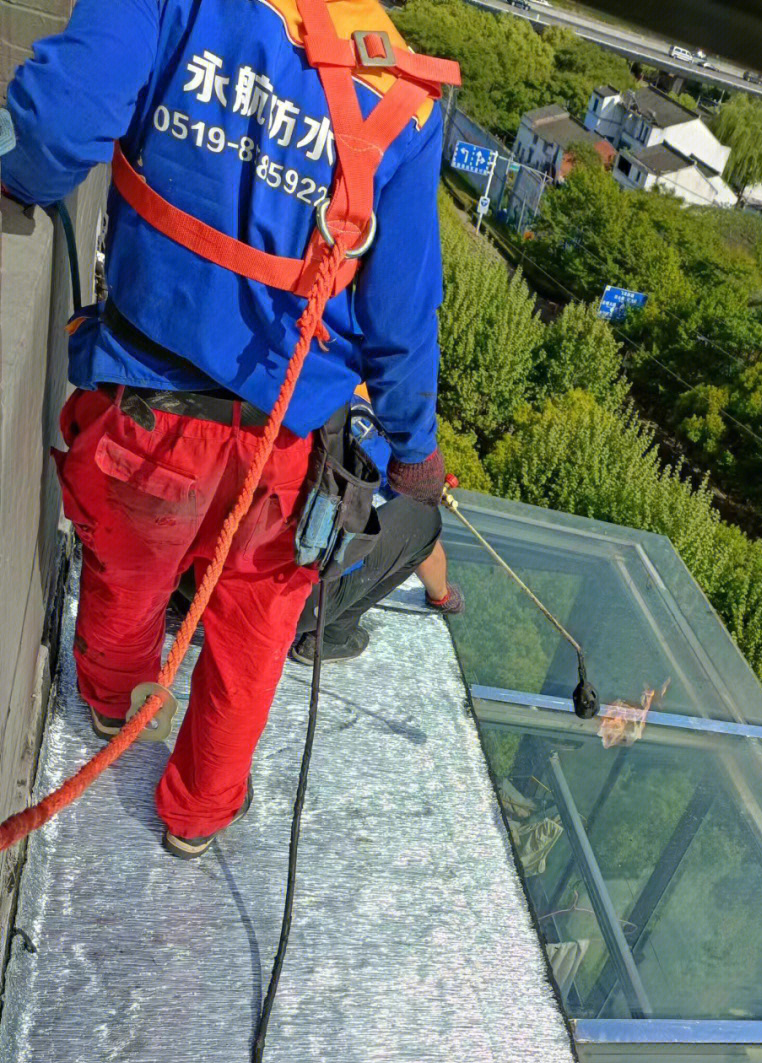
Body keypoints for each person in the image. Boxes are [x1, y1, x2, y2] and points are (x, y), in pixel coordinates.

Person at [2, 0, 456, 857]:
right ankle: (199, 811)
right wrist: (416, 453)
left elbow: (59, 124)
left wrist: (22, 179)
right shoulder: (404, 97)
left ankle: (107, 703)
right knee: (251, 630)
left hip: (149, 406)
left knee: (129, 577)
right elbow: (401, 319)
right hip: (288, 448)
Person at [289, 395, 463, 665]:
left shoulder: (302, 390)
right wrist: (444, 597)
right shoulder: (361, 421)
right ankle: (332, 635)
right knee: (424, 517)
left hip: (216, 577)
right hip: (292, 602)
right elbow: (414, 506)